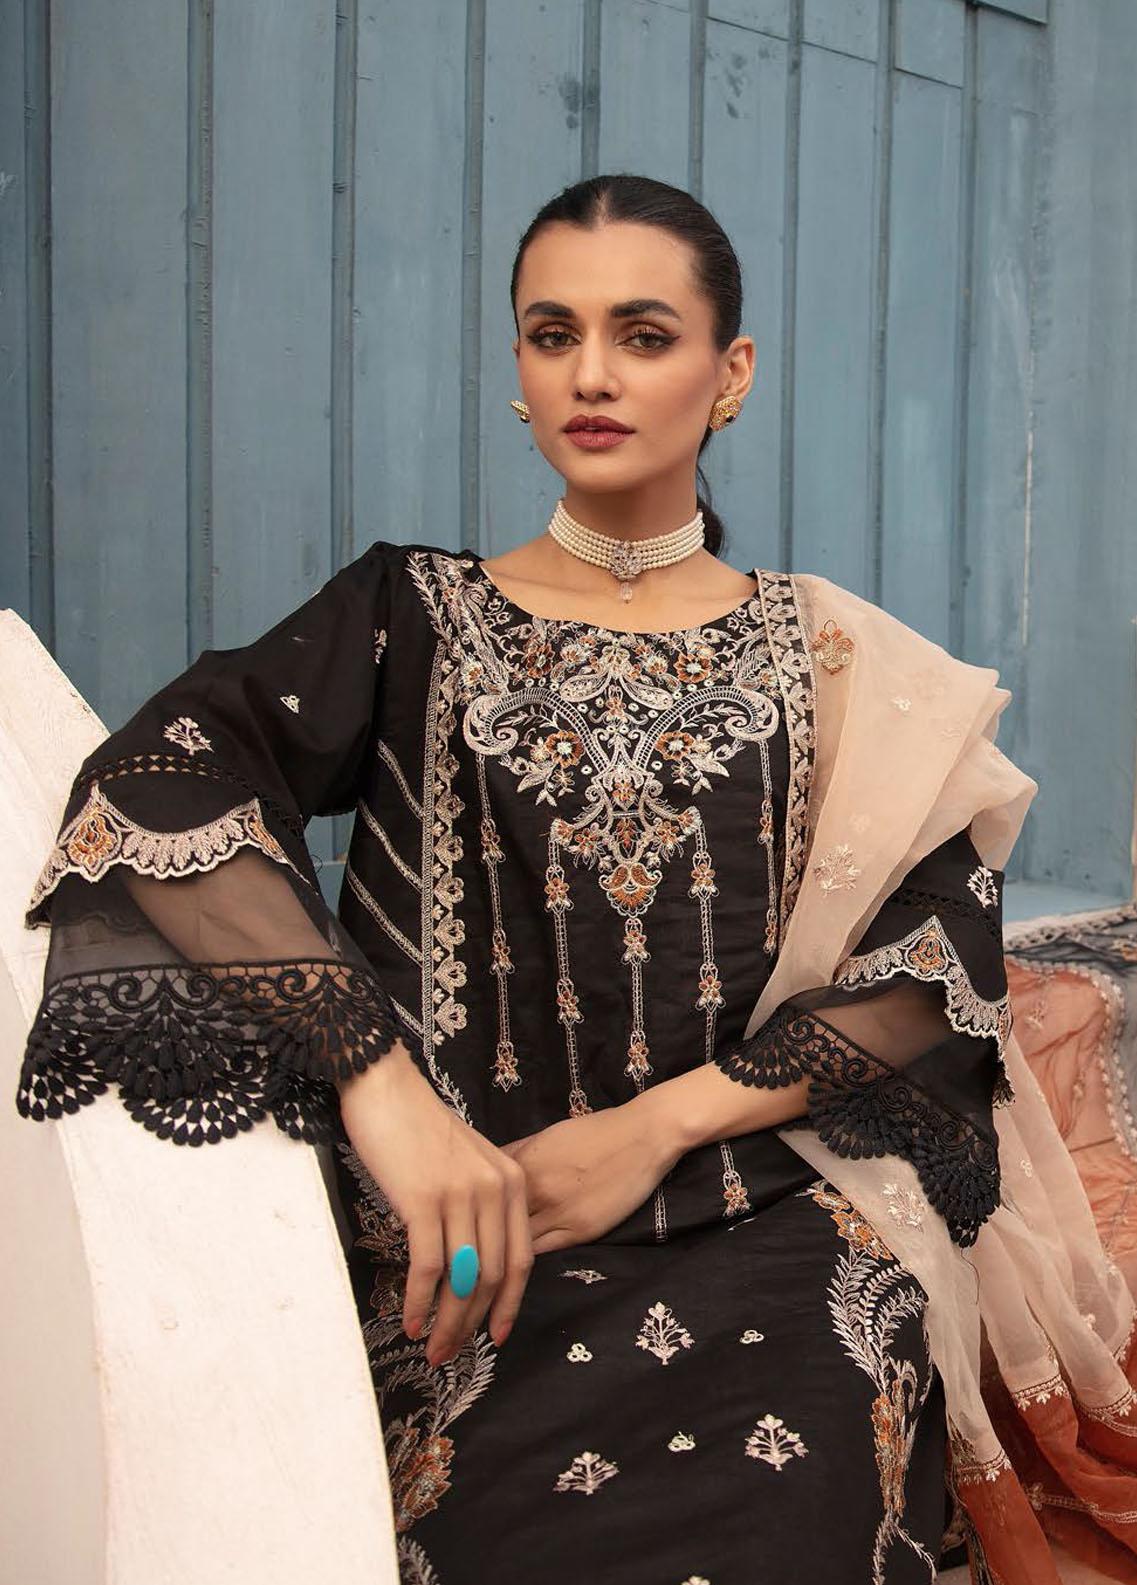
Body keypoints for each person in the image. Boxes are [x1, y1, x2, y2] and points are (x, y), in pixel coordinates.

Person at [15, 174, 1137, 1585]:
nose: (592, 374)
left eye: (643, 335)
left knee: (789, 1502)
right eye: (554, 334)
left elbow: (935, 955)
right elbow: (159, 780)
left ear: (730, 374)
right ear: (518, 368)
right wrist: (383, 1090)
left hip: (765, 1208)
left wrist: (653, 1130)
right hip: (481, 1228)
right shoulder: (408, 616)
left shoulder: (835, 655)